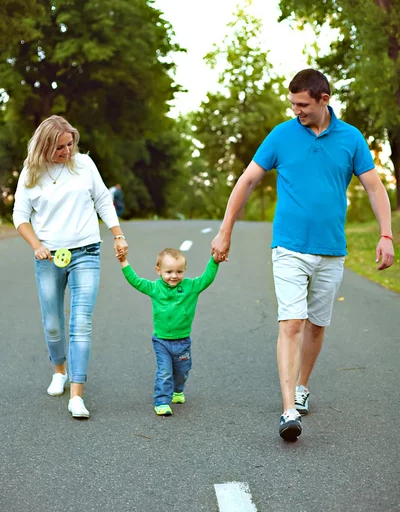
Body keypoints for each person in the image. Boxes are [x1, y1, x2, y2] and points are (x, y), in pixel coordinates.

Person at [211, 69, 394, 442]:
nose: (296, 111)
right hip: (289, 247)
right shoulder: (281, 135)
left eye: (303, 105)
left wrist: (386, 234)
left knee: (316, 324)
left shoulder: (351, 139)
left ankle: (302, 386)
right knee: (291, 322)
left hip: (331, 250)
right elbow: (247, 180)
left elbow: (374, 188)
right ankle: (287, 409)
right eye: (293, 104)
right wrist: (225, 229)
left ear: (324, 100)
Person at [13, 115, 128, 419]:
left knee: (80, 323)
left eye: (70, 144)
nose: (67, 151)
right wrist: (36, 245)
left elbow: (103, 199)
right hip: (48, 256)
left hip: (87, 251)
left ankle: (77, 394)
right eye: (60, 147)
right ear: (45, 147)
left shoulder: (84, 165)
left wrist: (117, 234)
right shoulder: (30, 173)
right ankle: (59, 370)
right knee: (52, 322)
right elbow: (20, 216)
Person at [116, 247, 219, 415]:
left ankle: (178, 391)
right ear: (158, 270)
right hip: (161, 340)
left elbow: (207, 278)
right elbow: (135, 281)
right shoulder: (155, 288)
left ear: (185, 270)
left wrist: (214, 261)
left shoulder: (190, 287)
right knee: (164, 372)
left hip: (183, 340)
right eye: (169, 271)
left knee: (182, 371)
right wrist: (123, 262)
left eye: (179, 271)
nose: (174, 276)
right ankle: (162, 401)